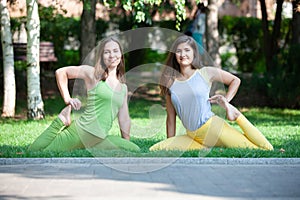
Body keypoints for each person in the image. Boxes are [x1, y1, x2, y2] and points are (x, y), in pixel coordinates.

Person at [150, 35, 273, 151]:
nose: (183, 54)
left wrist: (226, 101)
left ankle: (236, 115)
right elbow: (171, 118)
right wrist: (171, 142)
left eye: (187, 50)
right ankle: (207, 147)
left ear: (194, 53)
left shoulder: (205, 73)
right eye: (179, 51)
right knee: (156, 148)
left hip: (213, 128)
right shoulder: (171, 82)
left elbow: (235, 80)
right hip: (192, 136)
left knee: (258, 148)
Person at [28, 37, 140, 152]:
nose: (112, 55)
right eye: (107, 52)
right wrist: (67, 99)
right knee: (38, 152)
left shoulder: (123, 88)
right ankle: (60, 121)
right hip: (80, 133)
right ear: (101, 57)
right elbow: (61, 72)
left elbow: (124, 118)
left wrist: (126, 141)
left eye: (116, 51)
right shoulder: (93, 74)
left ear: (121, 55)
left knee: (134, 149)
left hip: (99, 140)